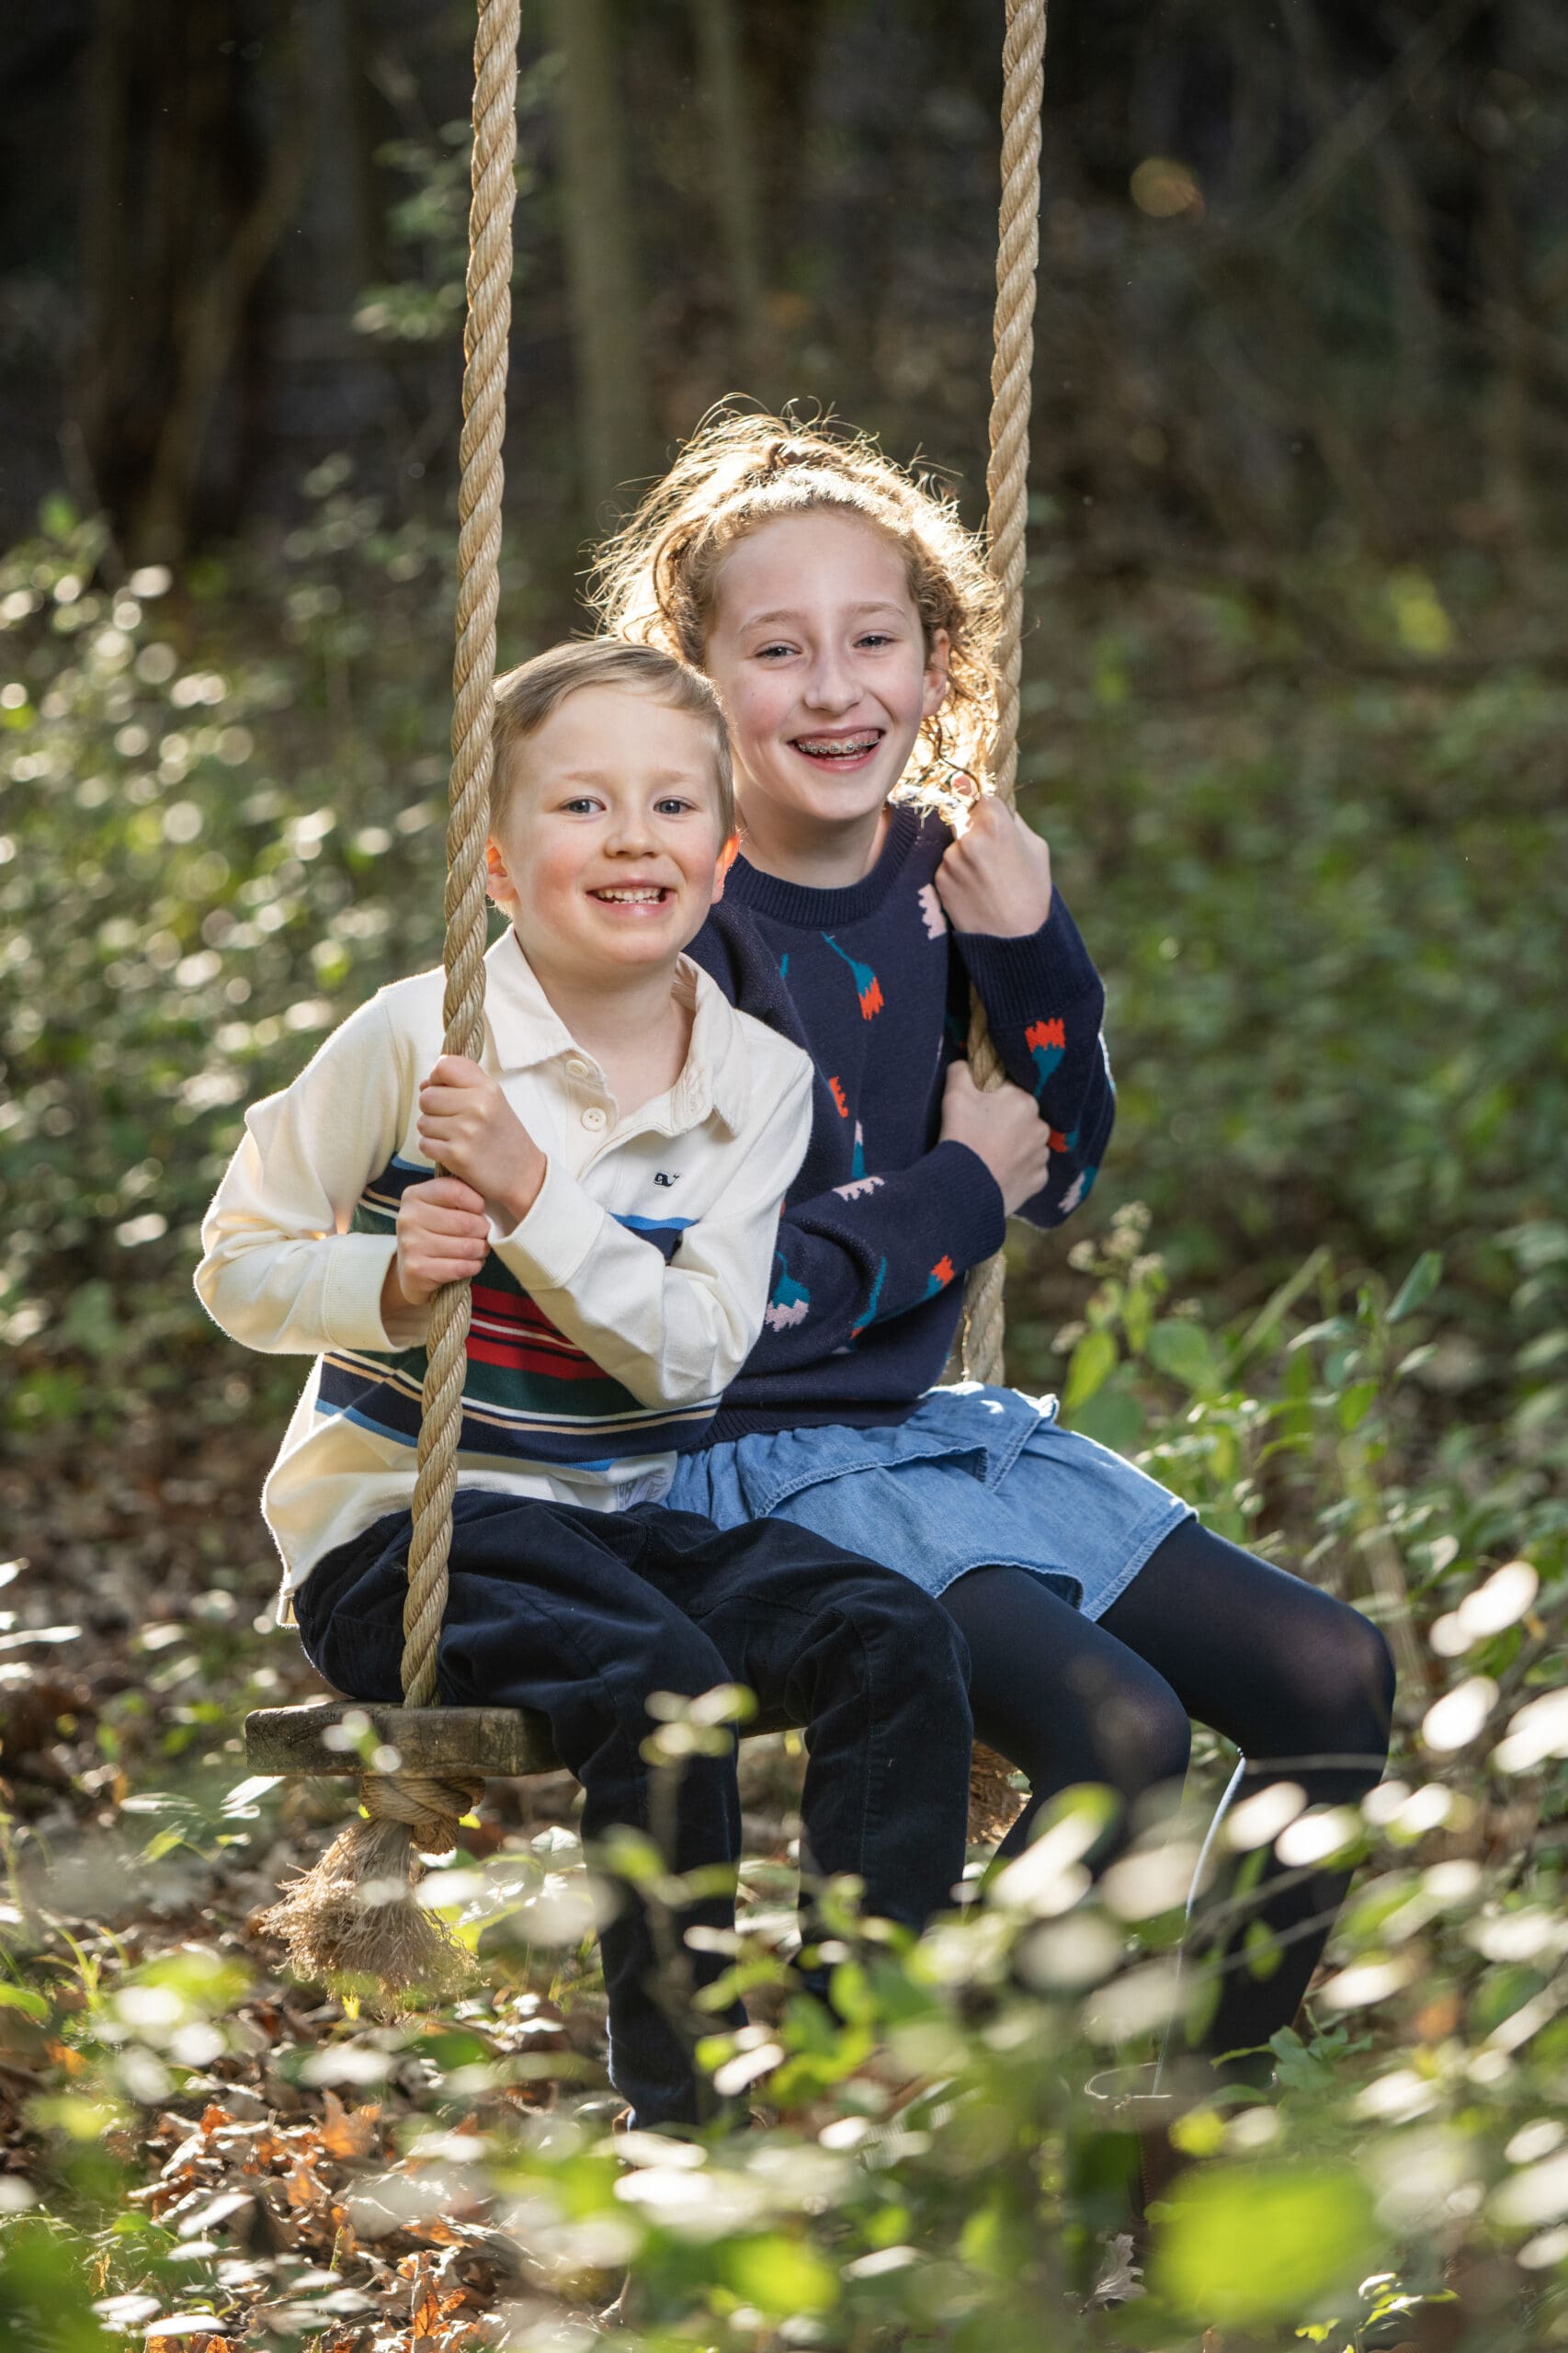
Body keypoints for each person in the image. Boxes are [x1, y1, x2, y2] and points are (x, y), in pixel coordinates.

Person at [592, 412, 1396, 2092]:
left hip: (921, 1439)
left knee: (1332, 1671)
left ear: (937, 658)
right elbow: (716, 1302)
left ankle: (1180, 2118)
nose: (834, 689)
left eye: (873, 639)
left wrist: (1032, 950)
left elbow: (1067, 1164)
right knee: (1120, 1732)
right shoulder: (669, 914)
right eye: (777, 649)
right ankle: (882, 2086)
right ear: (692, 678)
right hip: (725, 1469)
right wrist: (959, 1186)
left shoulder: (948, 873)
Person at [195, 637, 973, 2130]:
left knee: (886, 1633)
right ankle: (687, 2123)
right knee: (666, 1688)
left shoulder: (753, 1080)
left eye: (673, 806)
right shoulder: (413, 1036)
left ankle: (851, 2054)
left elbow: (690, 1355)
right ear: (494, 863)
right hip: (399, 1557)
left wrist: (533, 1197)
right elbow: (235, 1265)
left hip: (619, 1526)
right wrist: (388, 1280)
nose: (633, 839)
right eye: (581, 807)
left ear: (726, 853)